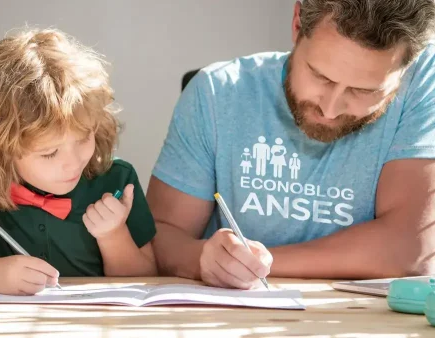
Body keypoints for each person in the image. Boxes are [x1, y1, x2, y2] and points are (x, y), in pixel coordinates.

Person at [147, 0, 435, 289]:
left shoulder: (424, 83)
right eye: (320, 76)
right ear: (297, 23)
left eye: (364, 90)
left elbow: (410, 251)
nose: (331, 110)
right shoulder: (216, 91)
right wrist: (202, 260)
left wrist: (259, 264)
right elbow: (159, 236)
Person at [0, 28, 157, 296]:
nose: (73, 162)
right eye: (49, 153)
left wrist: (113, 235)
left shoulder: (116, 180)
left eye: (83, 138)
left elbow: (148, 280)